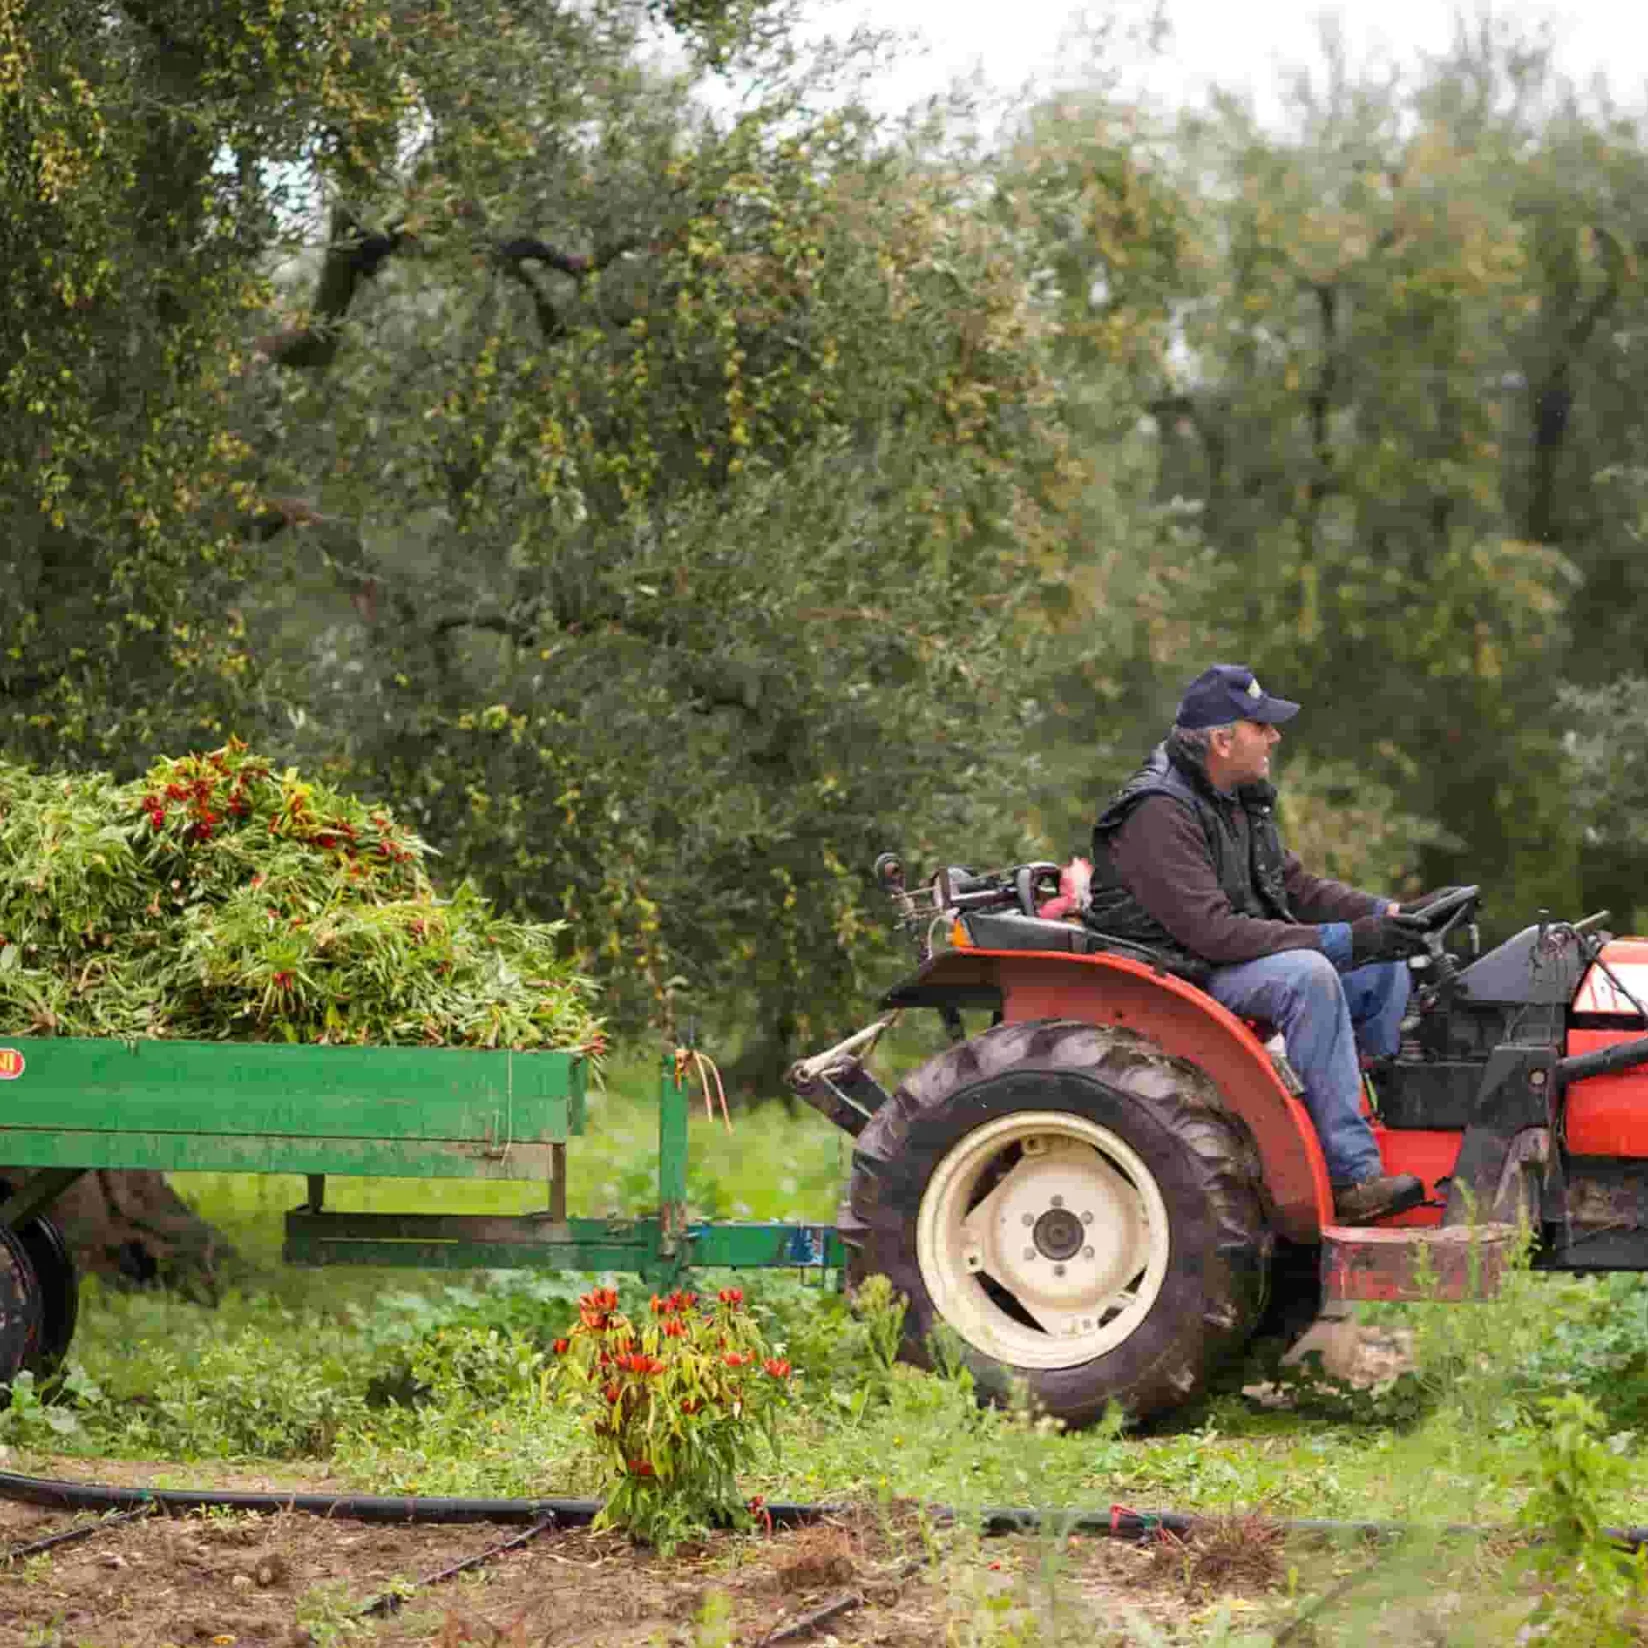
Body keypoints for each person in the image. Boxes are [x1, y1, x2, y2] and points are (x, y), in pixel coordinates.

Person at [1087, 663, 1440, 1226]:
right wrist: (1343, 939)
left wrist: (1386, 915)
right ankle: (1351, 1179)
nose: (1274, 736)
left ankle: (1375, 1124)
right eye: (1262, 726)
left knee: (1381, 962)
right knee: (1310, 976)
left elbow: (1295, 888)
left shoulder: (1235, 799)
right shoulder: (1157, 811)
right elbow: (1212, 932)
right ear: (1223, 741)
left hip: (1220, 958)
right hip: (1182, 972)